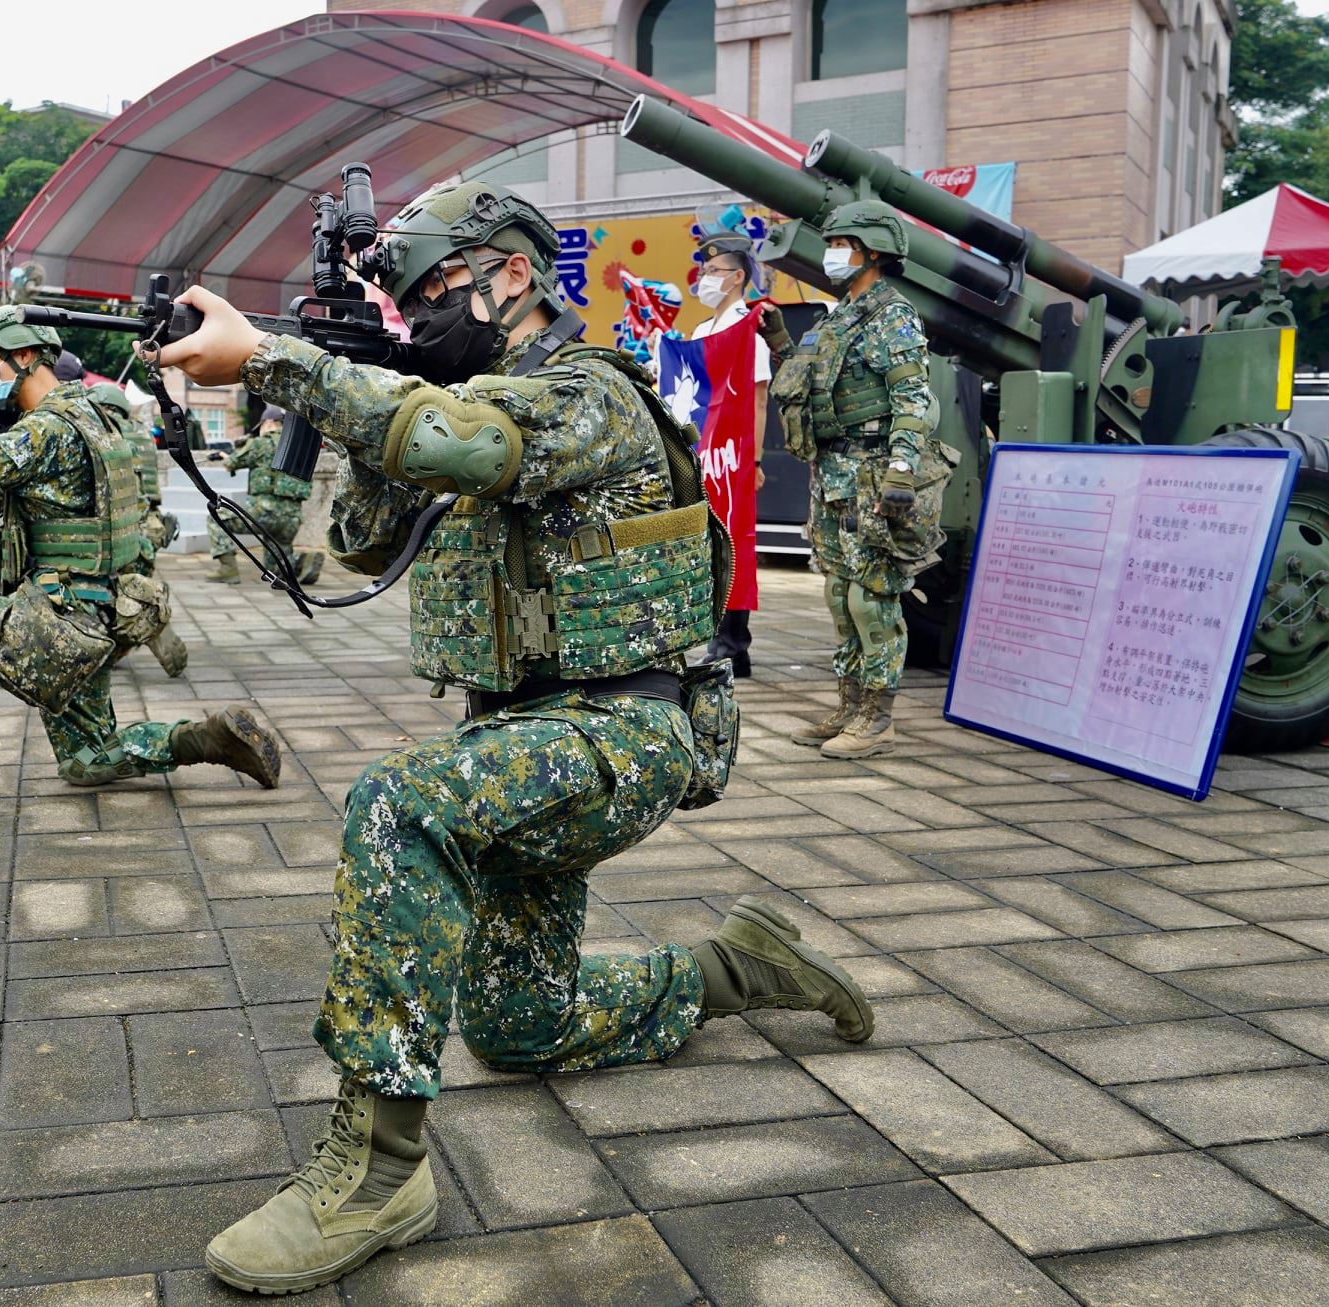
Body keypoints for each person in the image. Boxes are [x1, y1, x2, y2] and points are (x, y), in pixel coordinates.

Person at [156, 177, 873, 1296]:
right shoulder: (461, 396)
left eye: (437, 286)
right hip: (528, 739)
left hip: (625, 730)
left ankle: (378, 1174)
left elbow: (478, 445)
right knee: (517, 1026)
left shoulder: (587, 394)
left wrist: (276, 359)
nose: (422, 311)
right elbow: (354, 536)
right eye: (406, 301)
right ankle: (737, 967)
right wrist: (373, 392)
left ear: (511, 274)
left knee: (401, 802)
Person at [0, 306, 281, 829]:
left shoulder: (44, 427)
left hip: (61, 620)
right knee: (87, 761)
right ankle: (209, 739)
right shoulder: (89, 413)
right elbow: (43, 477)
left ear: (25, 355)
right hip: (106, 612)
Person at [773, 201, 946, 759]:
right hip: (833, 475)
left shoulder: (891, 315)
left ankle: (878, 717)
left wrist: (901, 469)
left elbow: (912, 397)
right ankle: (848, 705)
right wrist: (779, 341)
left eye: (843, 242)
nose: (833, 253)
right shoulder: (840, 315)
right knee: (839, 593)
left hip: (872, 474)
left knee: (873, 598)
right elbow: (808, 384)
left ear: (873, 250)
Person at [684, 231, 770, 678]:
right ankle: (716, 633)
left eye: (714, 272)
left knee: (735, 541)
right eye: (703, 271)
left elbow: (757, 399)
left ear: (737, 277)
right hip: (703, 452)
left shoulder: (749, 329)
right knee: (709, 543)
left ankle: (734, 643)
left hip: (734, 455)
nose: (705, 279)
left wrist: (753, 460)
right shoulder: (701, 330)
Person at [91, 380, 191, 676]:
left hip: (119, 529)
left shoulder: (105, 435)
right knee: (131, 589)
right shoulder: (143, 435)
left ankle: (148, 628)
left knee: (107, 593)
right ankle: (143, 625)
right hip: (150, 526)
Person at [205, 405, 323, 586]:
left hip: (264, 512)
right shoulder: (300, 446)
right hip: (291, 517)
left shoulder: (260, 443)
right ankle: (301, 562)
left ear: (268, 423)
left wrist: (224, 456)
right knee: (276, 571)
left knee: (216, 518)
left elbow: (232, 462)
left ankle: (228, 569)